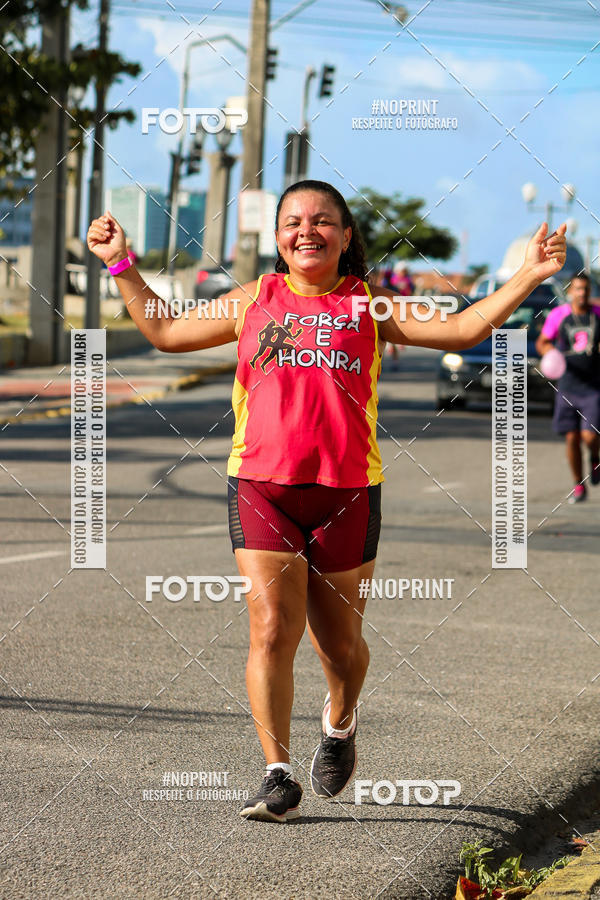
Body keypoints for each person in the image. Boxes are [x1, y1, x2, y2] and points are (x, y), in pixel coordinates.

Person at [87, 179, 566, 823]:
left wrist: (530, 274)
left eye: (321, 221)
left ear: (345, 235)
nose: (306, 231)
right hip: (262, 488)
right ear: (278, 237)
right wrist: (121, 264)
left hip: (347, 495)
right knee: (270, 629)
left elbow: (461, 329)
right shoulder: (254, 299)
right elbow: (166, 332)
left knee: (338, 647)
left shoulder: (369, 304)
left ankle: (340, 722)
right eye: (293, 222)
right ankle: (276, 775)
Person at [536, 273, 600, 503]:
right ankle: (578, 485)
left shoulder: (597, 314)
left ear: (590, 291)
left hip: (593, 387)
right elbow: (542, 342)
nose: (582, 293)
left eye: (586, 289)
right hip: (568, 386)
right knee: (572, 438)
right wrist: (550, 353)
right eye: (578, 289)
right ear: (571, 291)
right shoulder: (559, 315)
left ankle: (595, 458)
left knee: (590, 436)